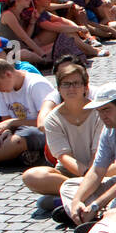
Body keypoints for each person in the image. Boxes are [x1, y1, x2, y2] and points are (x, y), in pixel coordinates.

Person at [57, 82, 116, 225]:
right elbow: (97, 170)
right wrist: (77, 200)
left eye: (106, 110)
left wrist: (96, 204)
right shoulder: (110, 127)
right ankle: (84, 214)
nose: (102, 116)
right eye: (99, 111)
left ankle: (92, 217)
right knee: (69, 186)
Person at [21, 57, 102, 209]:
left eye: (76, 83)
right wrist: (85, 176)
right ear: (58, 89)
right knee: (31, 176)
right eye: (66, 84)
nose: (71, 88)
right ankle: (84, 195)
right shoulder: (53, 118)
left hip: (99, 169)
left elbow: (97, 152)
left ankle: (68, 199)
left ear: (85, 87)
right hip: (68, 173)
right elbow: (63, 156)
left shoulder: (99, 113)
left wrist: (91, 176)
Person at [0, 57, 57, 170]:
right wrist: (7, 130)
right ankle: (10, 154)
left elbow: (48, 122)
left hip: (36, 132)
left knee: (24, 137)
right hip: (15, 132)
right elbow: (5, 120)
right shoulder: (2, 89)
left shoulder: (36, 84)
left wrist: (13, 123)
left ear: (8, 74)